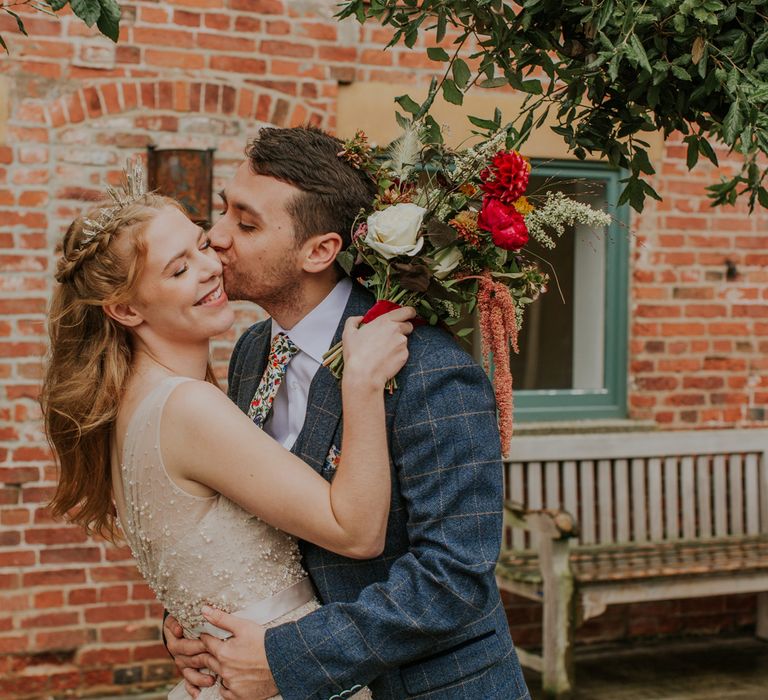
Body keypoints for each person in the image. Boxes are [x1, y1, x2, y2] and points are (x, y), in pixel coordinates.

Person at [166, 127, 531, 700]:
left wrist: (288, 657)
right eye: (223, 212)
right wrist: (200, 627)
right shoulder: (250, 354)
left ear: (320, 251)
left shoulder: (430, 370)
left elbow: (455, 577)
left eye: (247, 222)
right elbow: (255, 522)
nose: (216, 238)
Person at [41, 180, 417, 700]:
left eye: (200, 245)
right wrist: (362, 382)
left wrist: (184, 622)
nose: (210, 267)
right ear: (126, 310)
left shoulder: (132, 402)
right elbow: (355, 532)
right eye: (178, 270)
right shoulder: (187, 408)